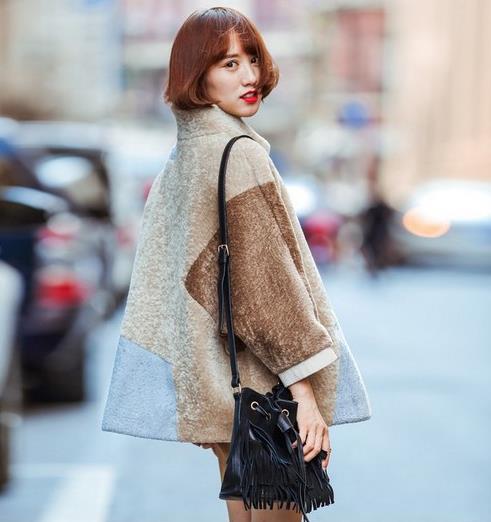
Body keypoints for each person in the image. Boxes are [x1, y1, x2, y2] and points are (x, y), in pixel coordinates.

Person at [101, 7, 371, 522]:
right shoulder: (237, 153)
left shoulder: (183, 158)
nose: (249, 76)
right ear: (196, 75)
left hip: (224, 387)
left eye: (252, 59)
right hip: (264, 391)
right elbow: (264, 286)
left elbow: (175, 283)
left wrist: (197, 380)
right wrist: (303, 392)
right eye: (228, 64)